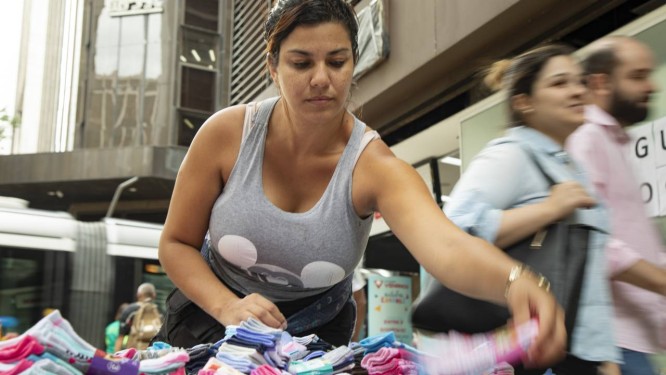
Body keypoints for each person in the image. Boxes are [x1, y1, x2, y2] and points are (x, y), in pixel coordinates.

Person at [157, 0, 565, 367]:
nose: (321, 79)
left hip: (313, 344)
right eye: (301, 63)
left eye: (337, 62)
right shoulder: (225, 135)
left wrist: (517, 283)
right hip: (207, 321)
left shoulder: (374, 165)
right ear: (272, 65)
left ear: (354, 61)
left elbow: (447, 245)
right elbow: (175, 243)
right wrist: (228, 307)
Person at [439, 44, 620, 374]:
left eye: (580, 81)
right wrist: (549, 209)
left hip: (576, 354)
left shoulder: (569, 167)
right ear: (524, 102)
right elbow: (453, 231)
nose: (577, 91)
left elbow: (587, 281)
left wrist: (605, 360)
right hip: (532, 351)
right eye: (559, 83)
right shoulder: (512, 154)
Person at [566, 35, 666, 375]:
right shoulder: (587, 139)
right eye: (637, 76)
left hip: (632, 340)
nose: (650, 86)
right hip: (613, 343)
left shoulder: (613, 142)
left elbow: (628, 238)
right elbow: (594, 240)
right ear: (600, 83)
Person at [115, 283, 161, 352]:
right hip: (154, 355)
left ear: (138, 295)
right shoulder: (159, 312)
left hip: (134, 353)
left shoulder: (130, 310)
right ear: (154, 295)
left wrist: (116, 357)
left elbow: (121, 337)